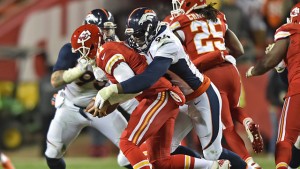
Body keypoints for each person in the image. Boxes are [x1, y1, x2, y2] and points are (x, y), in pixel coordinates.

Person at [93, 7, 253, 169]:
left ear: (150, 30)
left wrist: (112, 90)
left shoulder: (166, 43)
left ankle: (247, 167)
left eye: (139, 34)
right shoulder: (148, 37)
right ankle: (209, 166)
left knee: (213, 152)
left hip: (201, 96)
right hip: (180, 100)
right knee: (162, 156)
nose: (135, 39)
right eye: (133, 34)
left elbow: (149, 78)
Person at [168, 0, 263, 168]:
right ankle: (247, 121)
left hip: (208, 76)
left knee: (226, 128)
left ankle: (249, 164)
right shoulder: (219, 16)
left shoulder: (180, 22)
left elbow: (171, 55)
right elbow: (239, 50)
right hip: (230, 70)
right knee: (233, 110)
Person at [44, 8, 138, 169]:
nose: (107, 34)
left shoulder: (116, 49)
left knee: (131, 152)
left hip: (103, 107)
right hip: (71, 107)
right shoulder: (71, 50)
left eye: (109, 29)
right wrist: (79, 70)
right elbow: (55, 80)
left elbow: (129, 83)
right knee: (53, 154)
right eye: (103, 30)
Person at [245, 3, 300, 169]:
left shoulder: (290, 30)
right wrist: (282, 66)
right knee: (297, 144)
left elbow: (269, 61)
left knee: (286, 139)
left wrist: (255, 70)